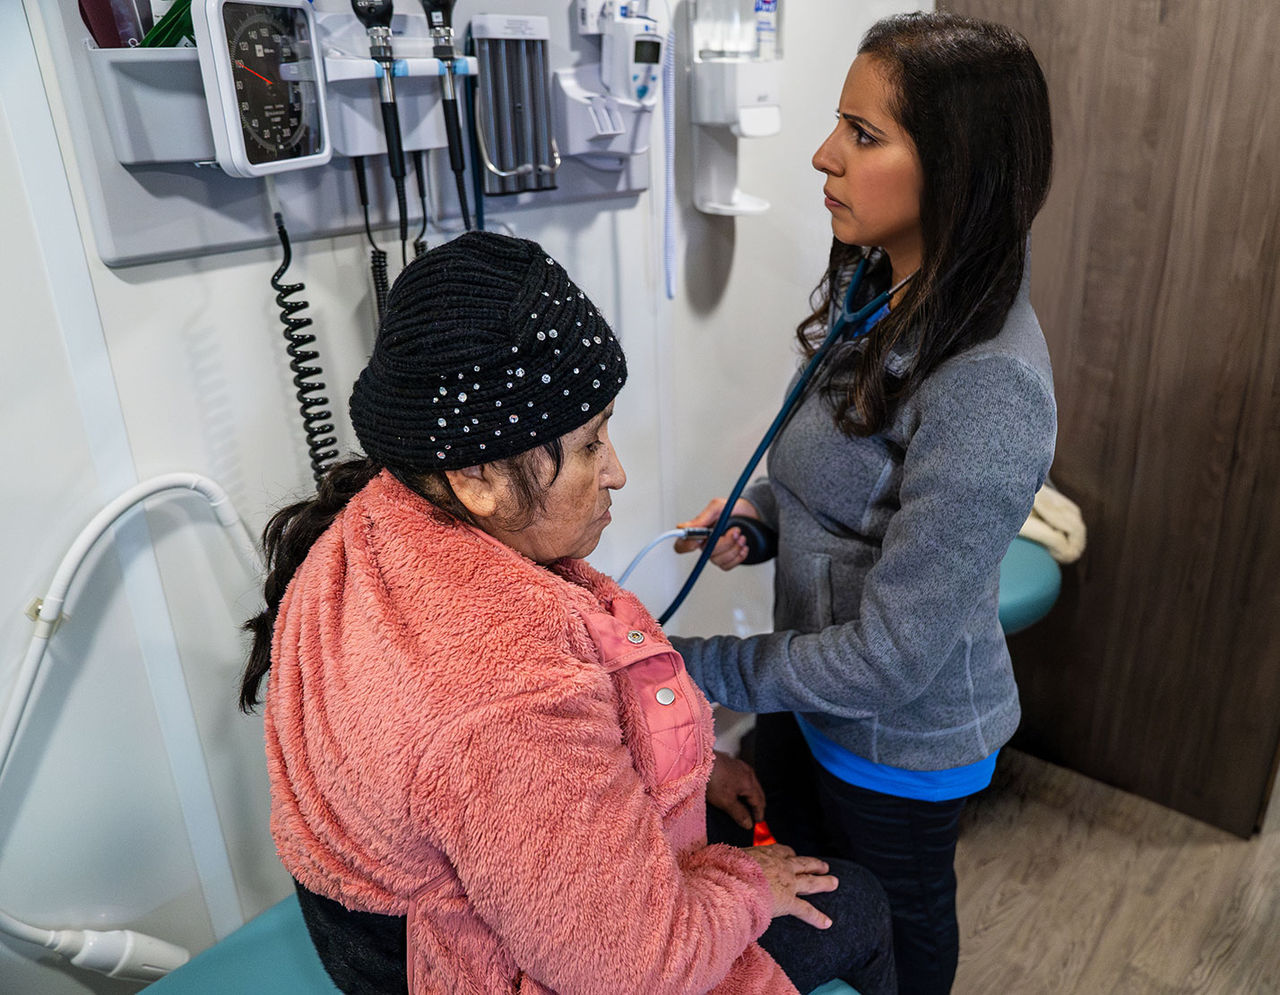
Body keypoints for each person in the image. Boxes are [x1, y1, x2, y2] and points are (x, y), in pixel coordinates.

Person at [239, 232, 895, 995]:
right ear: (478, 476)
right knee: (858, 906)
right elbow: (635, 966)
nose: (615, 470)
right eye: (589, 445)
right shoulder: (502, 700)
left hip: (388, 917)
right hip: (448, 964)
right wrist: (750, 886)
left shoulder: (376, 521)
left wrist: (688, 766)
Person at [671, 13, 1057, 995]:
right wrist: (754, 520)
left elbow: (889, 657)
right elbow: (835, 481)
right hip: (812, 695)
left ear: (955, 168)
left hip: (897, 735)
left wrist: (697, 670)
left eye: (861, 133)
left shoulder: (987, 385)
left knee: (898, 918)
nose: (821, 155)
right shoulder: (881, 292)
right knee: (793, 875)